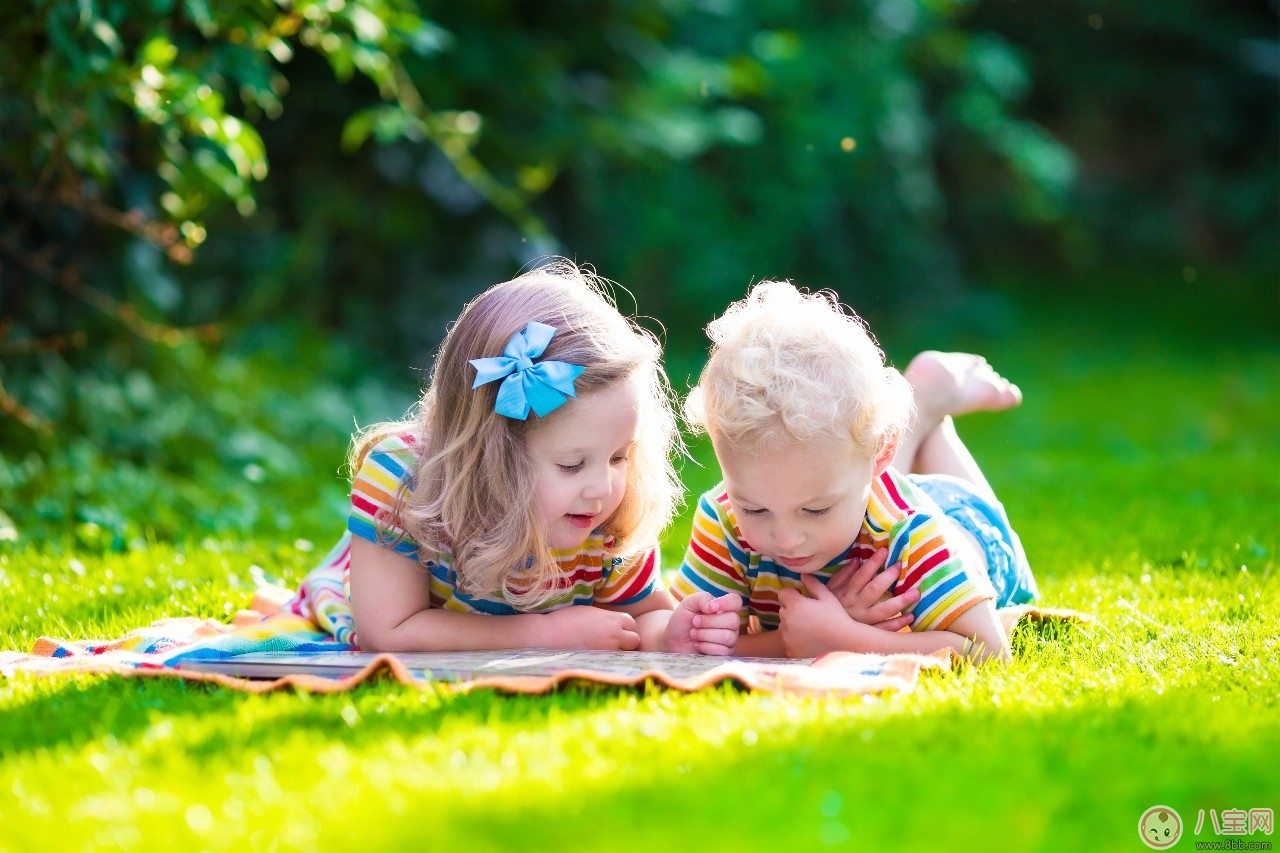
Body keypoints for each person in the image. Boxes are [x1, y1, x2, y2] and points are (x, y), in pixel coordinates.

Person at [281, 259, 741, 653]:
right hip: (369, 584)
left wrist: (672, 633)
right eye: (571, 464)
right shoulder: (405, 482)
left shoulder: (600, 519)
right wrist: (543, 633)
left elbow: (642, 617)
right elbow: (388, 631)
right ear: (491, 455)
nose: (602, 488)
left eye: (619, 457)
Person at [671, 281, 1040, 663]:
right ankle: (924, 402)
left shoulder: (911, 533)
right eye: (755, 510)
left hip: (970, 527)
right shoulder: (724, 516)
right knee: (851, 462)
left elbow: (990, 651)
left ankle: (926, 401)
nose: (785, 539)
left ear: (883, 454)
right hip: (868, 496)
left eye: (816, 510)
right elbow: (690, 644)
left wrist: (845, 637)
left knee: (881, 476)